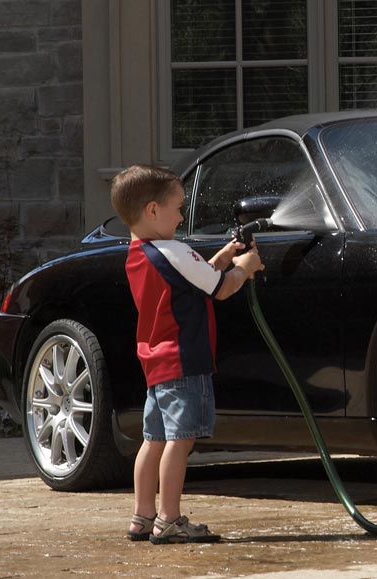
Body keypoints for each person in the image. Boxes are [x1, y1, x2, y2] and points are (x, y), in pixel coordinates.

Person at [111, 164, 265, 543]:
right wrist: (245, 267)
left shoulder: (140, 253)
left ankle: (142, 516)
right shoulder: (174, 251)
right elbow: (222, 288)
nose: (182, 216)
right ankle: (169, 519)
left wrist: (227, 254)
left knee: (154, 440)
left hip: (157, 362)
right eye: (177, 208)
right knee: (181, 442)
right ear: (152, 211)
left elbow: (196, 279)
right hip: (184, 360)